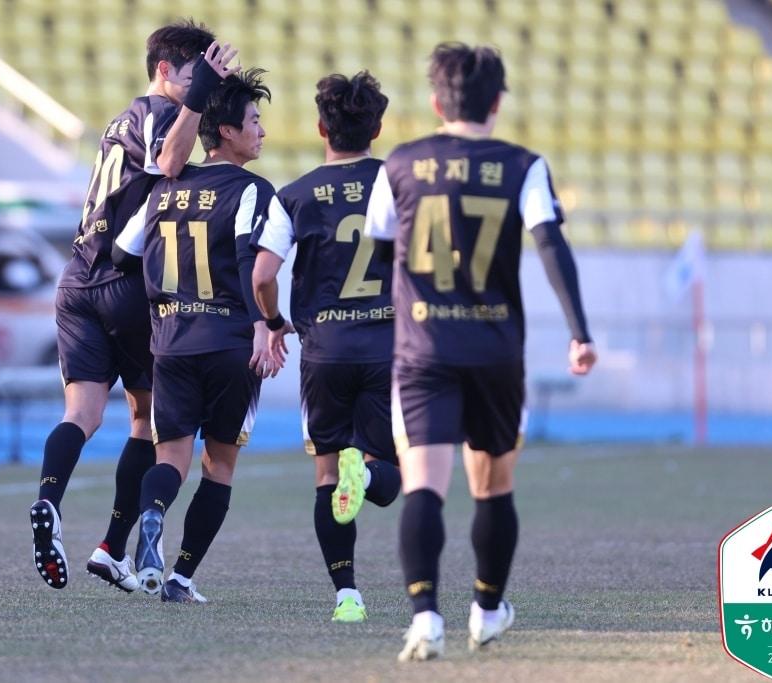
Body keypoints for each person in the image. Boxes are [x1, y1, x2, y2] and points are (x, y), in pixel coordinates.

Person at [363, 43, 597, 661]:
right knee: (493, 488)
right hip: (494, 350)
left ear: (437, 102)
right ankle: (488, 610)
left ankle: (424, 618)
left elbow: (381, 251)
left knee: (423, 488)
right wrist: (580, 331)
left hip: (423, 351)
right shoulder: (523, 165)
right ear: (497, 103)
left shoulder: (400, 165)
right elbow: (550, 246)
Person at [29, 20, 240, 593]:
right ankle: (112, 547)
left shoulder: (120, 117)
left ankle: (50, 502)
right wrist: (199, 103)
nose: (205, 84)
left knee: (82, 415)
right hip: (122, 280)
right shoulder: (161, 114)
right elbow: (169, 164)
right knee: (146, 421)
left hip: (76, 278)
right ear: (165, 71)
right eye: (196, 74)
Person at [115, 69, 275, 603]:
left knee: (170, 460)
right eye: (254, 121)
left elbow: (122, 253)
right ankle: (181, 576)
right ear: (226, 131)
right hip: (230, 342)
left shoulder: (165, 187)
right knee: (220, 465)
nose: (262, 133)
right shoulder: (253, 189)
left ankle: (153, 516)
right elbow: (253, 260)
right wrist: (264, 325)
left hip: (173, 343)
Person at [250, 72, 401, 623]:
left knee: (327, 474)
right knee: (398, 470)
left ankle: (347, 597)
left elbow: (263, 274)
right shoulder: (400, 185)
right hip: (389, 348)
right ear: (377, 128)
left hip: (324, 351)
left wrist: (274, 320)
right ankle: (372, 475)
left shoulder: (295, 194)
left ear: (320, 128)